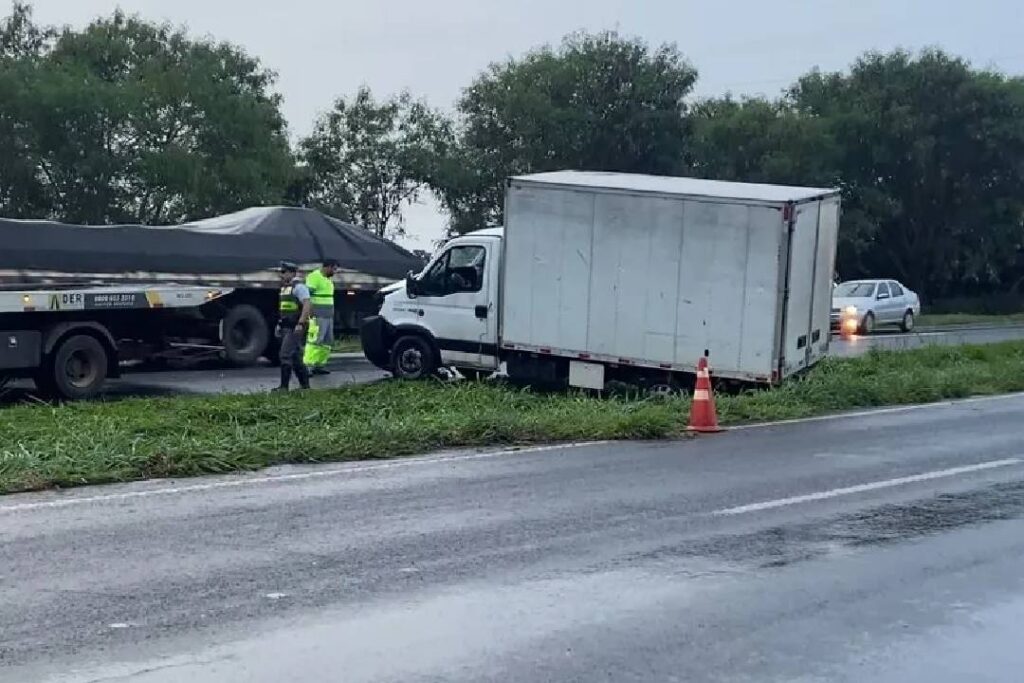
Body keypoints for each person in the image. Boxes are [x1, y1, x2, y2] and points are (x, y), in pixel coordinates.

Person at [275, 261, 312, 391]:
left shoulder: (299, 287)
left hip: (295, 326)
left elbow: (307, 305)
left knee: (285, 355)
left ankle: (284, 387)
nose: (282, 275)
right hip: (286, 326)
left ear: (292, 272)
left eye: (284, 272)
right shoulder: (285, 287)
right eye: (281, 272)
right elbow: (284, 309)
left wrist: (301, 323)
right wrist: (280, 324)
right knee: (295, 356)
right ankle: (305, 386)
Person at [303, 258, 338, 376]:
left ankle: (319, 364)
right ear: (327, 267)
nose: (335, 271)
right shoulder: (314, 277)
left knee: (327, 342)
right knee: (315, 341)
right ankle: (308, 366)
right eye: (334, 269)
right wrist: (310, 311)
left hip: (328, 315)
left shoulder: (328, 280)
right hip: (318, 314)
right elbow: (307, 295)